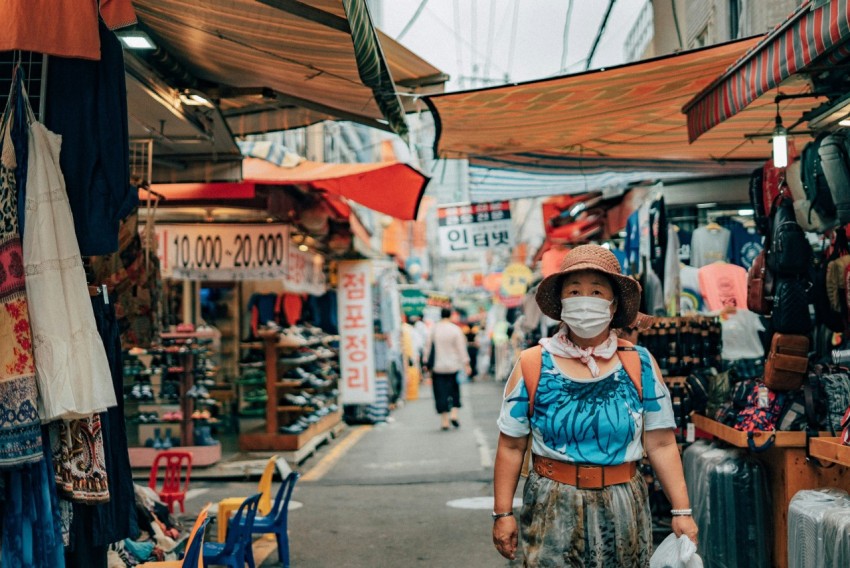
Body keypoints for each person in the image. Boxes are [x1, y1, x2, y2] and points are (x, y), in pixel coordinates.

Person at [492, 245, 698, 567]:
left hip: (623, 506)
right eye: (574, 290)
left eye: (596, 291)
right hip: (551, 506)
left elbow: (660, 443)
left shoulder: (639, 364)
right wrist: (502, 512)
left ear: (613, 305)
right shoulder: (533, 364)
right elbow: (511, 446)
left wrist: (681, 510)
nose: (584, 299)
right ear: (561, 302)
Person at [426, 308, 471, 430]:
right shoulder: (455, 329)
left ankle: (444, 421)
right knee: (454, 391)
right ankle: (454, 414)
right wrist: (466, 364)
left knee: (440, 393)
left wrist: (426, 363)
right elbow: (461, 348)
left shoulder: (434, 329)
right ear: (450, 315)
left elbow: (428, 348)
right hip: (453, 366)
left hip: (437, 367)